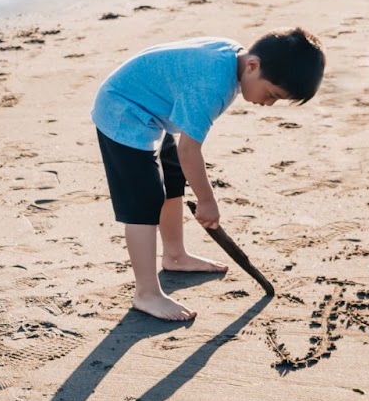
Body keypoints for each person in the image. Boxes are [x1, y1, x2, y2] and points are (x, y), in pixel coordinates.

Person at [90, 29, 326, 322]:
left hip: (151, 109)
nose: (268, 104)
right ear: (252, 66)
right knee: (144, 201)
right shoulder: (213, 85)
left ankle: (175, 255)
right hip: (123, 110)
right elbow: (189, 150)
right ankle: (146, 292)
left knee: (173, 178)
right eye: (271, 95)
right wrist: (207, 201)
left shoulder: (233, 58)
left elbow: (183, 151)